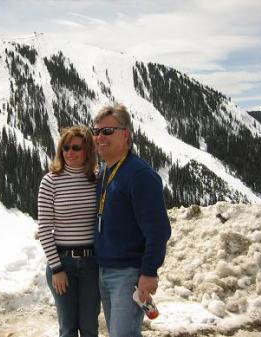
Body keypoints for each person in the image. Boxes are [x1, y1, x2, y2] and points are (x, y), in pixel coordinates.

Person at [92, 104, 172, 337]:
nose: (99, 137)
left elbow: (159, 231)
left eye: (107, 131)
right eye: (96, 131)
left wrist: (149, 272)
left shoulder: (140, 175)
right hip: (105, 270)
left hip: (127, 274)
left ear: (125, 134)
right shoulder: (107, 170)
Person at [38, 126, 100, 337]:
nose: (69, 152)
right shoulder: (50, 182)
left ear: (87, 151)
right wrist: (56, 269)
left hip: (92, 263)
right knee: (68, 329)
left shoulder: (96, 180)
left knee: (90, 327)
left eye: (76, 148)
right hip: (63, 263)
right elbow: (45, 229)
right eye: (65, 147)